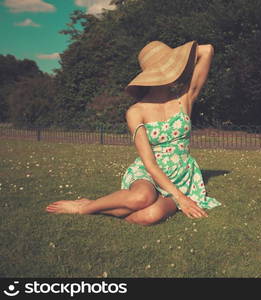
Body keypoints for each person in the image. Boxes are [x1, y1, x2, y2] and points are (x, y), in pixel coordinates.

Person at [45, 40, 221, 225]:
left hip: (181, 176)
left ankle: (98, 205)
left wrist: (178, 57)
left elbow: (207, 50)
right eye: (167, 66)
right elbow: (150, 163)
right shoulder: (136, 112)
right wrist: (181, 199)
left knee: (150, 216)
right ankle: (84, 208)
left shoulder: (184, 99)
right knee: (141, 198)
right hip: (149, 172)